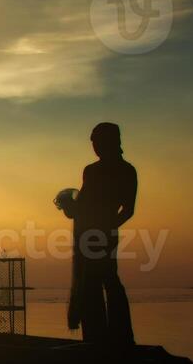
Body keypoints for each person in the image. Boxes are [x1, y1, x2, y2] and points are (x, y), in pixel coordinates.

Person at [56, 123, 137, 346]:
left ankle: (117, 338)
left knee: (106, 281)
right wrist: (68, 207)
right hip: (89, 233)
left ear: (112, 141)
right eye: (93, 143)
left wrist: (107, 227)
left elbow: (128, 210)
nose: (96, 147)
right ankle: (96, 338)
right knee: (92, 283)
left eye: (99, 142)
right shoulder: (91, 171)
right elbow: (81, 208)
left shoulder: (126, 171)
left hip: (103, 235)